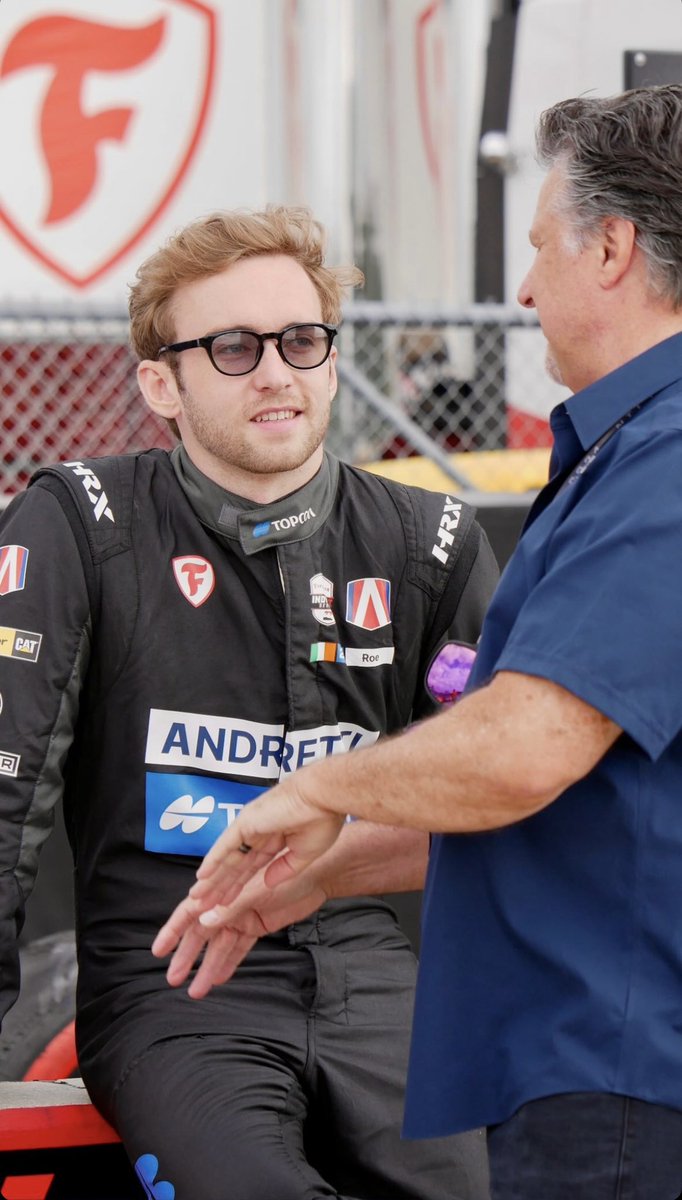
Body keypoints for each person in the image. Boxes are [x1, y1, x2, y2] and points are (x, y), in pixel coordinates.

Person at [155, 85, 682, 1200]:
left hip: (624, 1076)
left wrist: (324, 788)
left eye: (539, 247)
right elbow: (560, 806)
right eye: (235, 346)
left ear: (615, 248)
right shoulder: (627, 458)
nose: (525, 287)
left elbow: (524, 749)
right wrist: (332, 870)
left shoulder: (664, 463)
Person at [0, 206, 497, 1199]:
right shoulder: (79, 520)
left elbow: (500, 787)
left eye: (301, 340)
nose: (275, 371)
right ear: (159, 383)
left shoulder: (426, 540)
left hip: (376, 976)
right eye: (231, 347)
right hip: (172, 978)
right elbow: (8, 801)